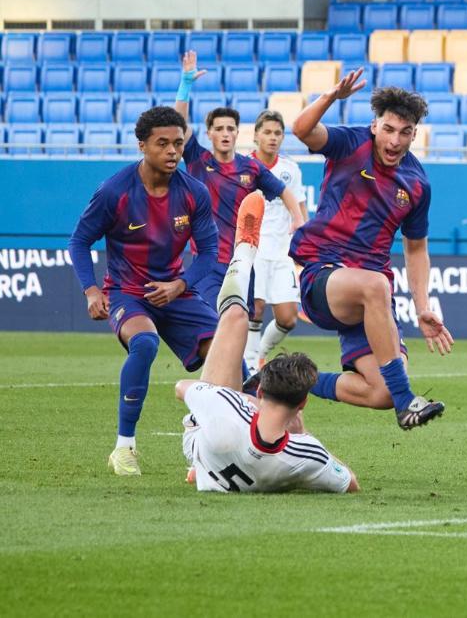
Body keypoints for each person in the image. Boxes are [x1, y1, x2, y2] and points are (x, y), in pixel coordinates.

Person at [279, 69, 453, 430]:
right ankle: (407, 403)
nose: (395, 140)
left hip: (371, 297)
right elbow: (301, 129)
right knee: (376, 285)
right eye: (389, 129)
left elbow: (416, 249)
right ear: (375, 126)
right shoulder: (350, 143)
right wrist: (330, 97)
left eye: (404, 132)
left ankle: (284, 378)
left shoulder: (417, 184)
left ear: (415, 134)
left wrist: (423, 307)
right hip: (324, 273)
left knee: (381, 391)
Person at [68, 106, 220, 476]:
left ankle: (226, 441)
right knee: (146, 344)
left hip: (175, 290)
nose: (172, 151)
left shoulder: (195, 193)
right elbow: (79, 241)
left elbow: (209, 252)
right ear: (142, 145)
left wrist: (180, 285)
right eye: (162, 143)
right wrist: (91, 291)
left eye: (178, 144)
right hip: (127, 292)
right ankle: (124, 448)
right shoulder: (114, 191)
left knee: (226, 351)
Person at [177, 192, 358, 493]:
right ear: (302, 403)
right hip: (254, 464)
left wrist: (243, 400)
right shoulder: (306, 454)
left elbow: (181, 387)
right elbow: (350, 482)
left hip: (204, 443)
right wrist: (302, 435)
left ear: (260, 391)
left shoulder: (227, 404)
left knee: (235, 316)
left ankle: (244, 249)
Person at [171, 51, 305, 311]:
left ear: (237, 133)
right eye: (219, 129)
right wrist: (185, 84)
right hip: (207, 262)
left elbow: (283, 190)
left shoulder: (251, 167)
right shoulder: (198, 159)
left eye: (230, 128)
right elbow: (178, 124)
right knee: (215, 321)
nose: (225, 133)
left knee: (243, 323)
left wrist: (298, 219)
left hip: (243, 261)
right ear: (209, 133)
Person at [243, 110, 308, 374]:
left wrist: (304, 242)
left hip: (282, 254)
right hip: (253, 249)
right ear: (256, 135)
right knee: (255, 308)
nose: (273, 137)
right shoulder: (243, 167)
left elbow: (301, 210)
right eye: (267, 132)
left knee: (288, 318)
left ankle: (259, 354)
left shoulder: (290, 169)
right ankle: (249, 368)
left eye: (278, 133)